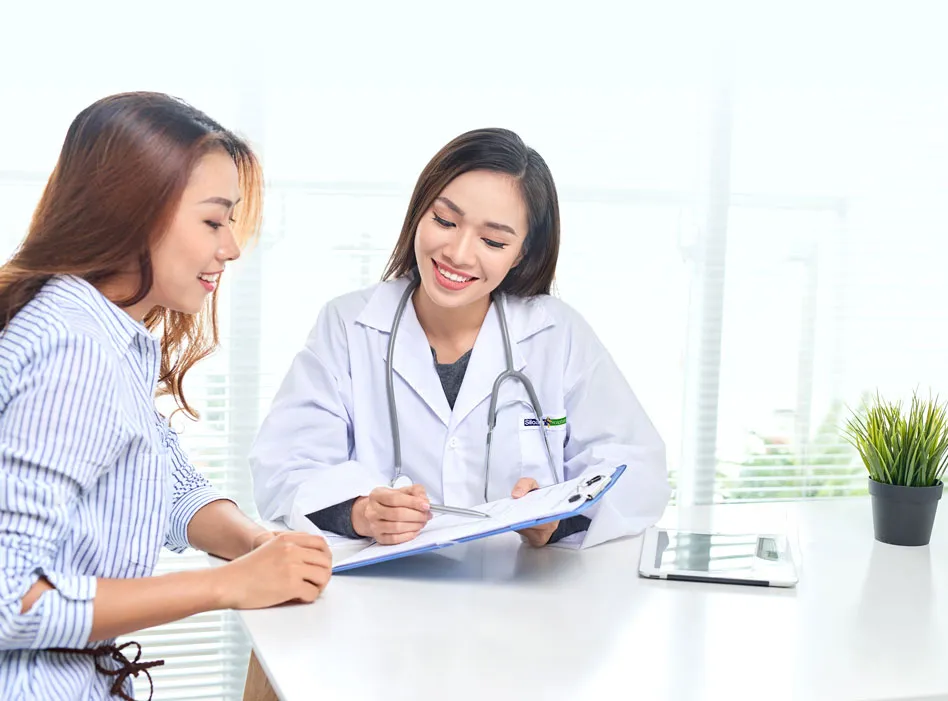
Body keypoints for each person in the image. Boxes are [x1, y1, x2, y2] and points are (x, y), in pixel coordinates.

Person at [0, 92, 332, 701]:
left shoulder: (105, 330)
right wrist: (229, 587)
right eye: (213, 221)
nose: (230, 247)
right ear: (133, 213)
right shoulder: (73, 349)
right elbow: (8, 600)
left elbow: (168, 480)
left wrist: (258, 544)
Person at [250, 127, 669, 550]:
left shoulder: (555, 333)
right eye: (445, 221)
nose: (459, 253)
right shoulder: (348, 325)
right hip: (386, 597)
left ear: (521, 253)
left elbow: (637, 470)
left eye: (493, 240)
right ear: (419, 213)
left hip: (526, 600)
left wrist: (556, 520)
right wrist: (361, 511)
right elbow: (285, 466)